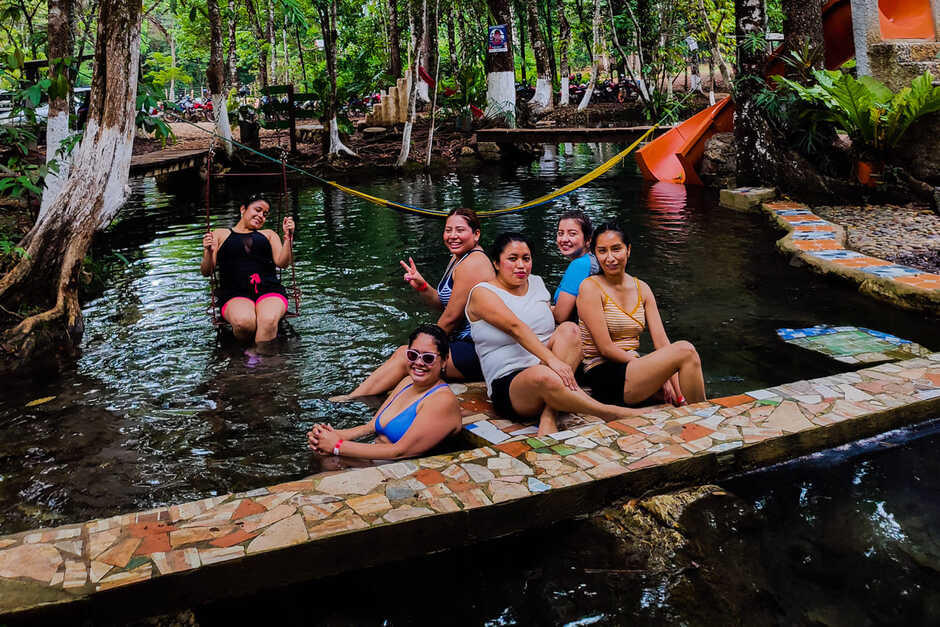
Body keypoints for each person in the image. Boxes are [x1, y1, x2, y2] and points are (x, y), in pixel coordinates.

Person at [465, 232, 641, 436]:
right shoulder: (482, 293)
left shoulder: (537, 283)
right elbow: (516, 327)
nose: (521, 265)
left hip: (545, 368)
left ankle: (549, 413)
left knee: (570, 330)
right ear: (496, 263)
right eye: (512, 259)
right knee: (544, 375)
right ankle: (610, 412)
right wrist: (552, 361)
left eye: (526, 258)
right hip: (511, 383)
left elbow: (554, 317)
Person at [335, 207, 494, 400]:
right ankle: (359, 396)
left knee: (407, 355)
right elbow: (442, 304)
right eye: (448, 230)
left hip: (478, 351)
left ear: (476, 234)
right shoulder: (457, 258)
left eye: (460, 230)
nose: (452, 236)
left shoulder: (473, 263)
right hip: (460, 343)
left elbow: (451, 319)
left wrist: (423, 346)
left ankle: (350, 400)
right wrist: (422, 286)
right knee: (407, 354)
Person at [576, 222, 706, 407]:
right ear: (595, 254)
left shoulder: (642, 288)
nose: (610, 258)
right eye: (602, 251)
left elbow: (662, 343)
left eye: (616, 249)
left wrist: (674, 389)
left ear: (628, 250)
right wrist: (660, 377)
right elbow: (606, 348)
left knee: (687, 353)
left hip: (634, 368)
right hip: (603, 373)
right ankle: (701, 414)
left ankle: (693, 408)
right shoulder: (590, 287)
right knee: (685, 349)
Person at [307, 324, 462, 459]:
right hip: (377, 454)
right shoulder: (407, 382)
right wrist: (329, 436)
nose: (418, 363)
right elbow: (371, 426)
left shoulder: (441, 401)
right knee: (318, 451)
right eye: (412, 355)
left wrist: (337, 446)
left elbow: (401, 451)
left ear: (444, 360)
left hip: (397, 465)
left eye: (428, 358)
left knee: (327, 461)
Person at [201, 194, 294, 345]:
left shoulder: (269, 234)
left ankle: (257, 360)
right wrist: (209, 252)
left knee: (268, 321)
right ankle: (250, 354)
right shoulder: (219, 234)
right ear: (243, 209)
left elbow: (282, 263)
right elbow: (207, 271)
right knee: (244, 323)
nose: (261, 216)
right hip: (234, 292)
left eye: (265, 214)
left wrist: (288, 238)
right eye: (257, 210)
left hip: (269, 290)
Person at [553, 209, 599, 324]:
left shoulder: (579, 265)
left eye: (572, 234)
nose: (564, 239)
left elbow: (560, 316)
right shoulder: (594, 260)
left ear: (588, 240)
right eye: (560, 233)